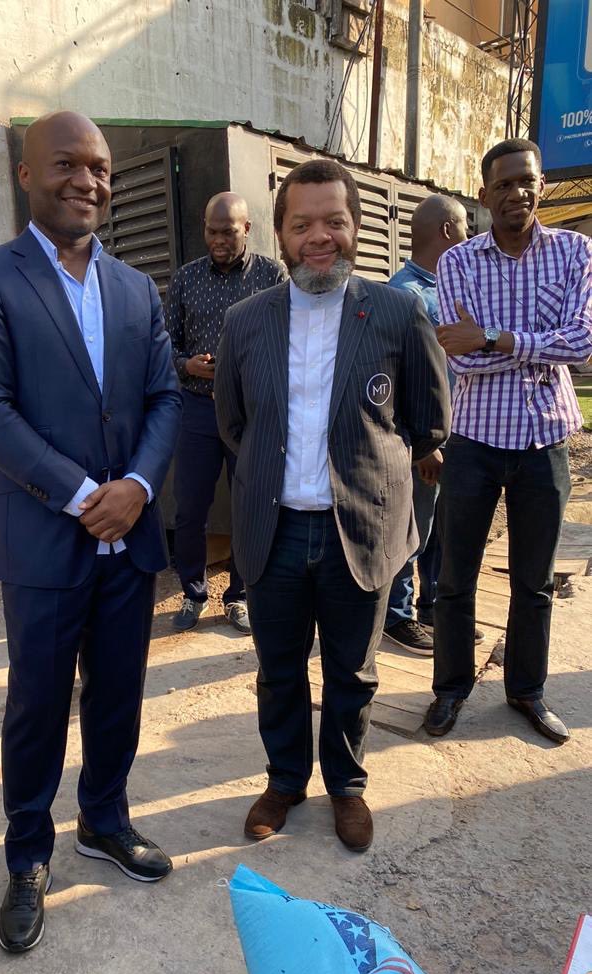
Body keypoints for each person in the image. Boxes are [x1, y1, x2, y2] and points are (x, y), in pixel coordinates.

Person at [0, 111, 182, 954]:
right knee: (38, 706)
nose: (88, 181)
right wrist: (85, 496)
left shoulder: (137, 289)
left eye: (101, 168)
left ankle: (104, 820)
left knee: (118, 694)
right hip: (45, 543)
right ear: (26, 175)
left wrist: (139, 487)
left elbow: (164, 398)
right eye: (67, 165)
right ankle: (27, 856)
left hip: (130, 540)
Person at [215, 160, 449, 853]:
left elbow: (429, 422)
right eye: (302, 224)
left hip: (362, 527)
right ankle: (286, 780)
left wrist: (368, 471)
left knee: (353, 671)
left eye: (334, 222)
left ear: (356, 227)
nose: (320, 237)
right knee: (278, 671)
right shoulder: (245, 321)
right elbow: (234, 424)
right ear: (281, 235)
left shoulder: (399, 313)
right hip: (277, 529)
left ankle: (346, 785)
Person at [425, 138, 592, 744]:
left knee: (534, 580)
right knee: (454, 577)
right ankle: (450, 689)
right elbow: (460, 358)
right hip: (474, 441)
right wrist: (537, 344)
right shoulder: (458, 262)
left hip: (545, 441)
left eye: (526, 181)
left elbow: (583, 343)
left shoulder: (576, 252)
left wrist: (494, 337)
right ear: (484, 195)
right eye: (504, 184)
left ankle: (526, 690)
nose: (516, 193)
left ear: (541, 185)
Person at [165, 193, 284, 634]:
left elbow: (286, 341)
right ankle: (193, 593)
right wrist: (187, 365)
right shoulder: (186, 278)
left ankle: (239, 596)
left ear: (247, 229)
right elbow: (165, 343)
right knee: (189, 508)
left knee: (249, 505)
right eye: (211, 231)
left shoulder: (272, 276)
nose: (218, 240)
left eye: (228, 232)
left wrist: (245, 372)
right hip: (197, 408)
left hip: (250, 411)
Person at [383, 194, 471, 655]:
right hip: (422, 442)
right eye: (465, 226)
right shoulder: (405, 295)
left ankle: (433, 607)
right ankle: (397, 617)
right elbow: (394, 381)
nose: (470, 236)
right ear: (447, 231)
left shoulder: (449, 289)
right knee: (411, 528)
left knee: (441, 530)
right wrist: (422, 446)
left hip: (457, 435)